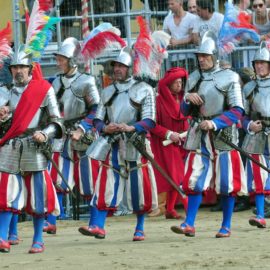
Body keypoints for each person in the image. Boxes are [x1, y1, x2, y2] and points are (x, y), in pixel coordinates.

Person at [171, 31, 247, 238]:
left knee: (226, 183)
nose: (201, 59)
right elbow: (183, 112)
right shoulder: (194, 78)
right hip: (199, 134)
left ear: (214, 55)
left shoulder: (230, 77)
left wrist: (214, 123)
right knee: (194, 179)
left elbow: (237, 110)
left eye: (205, 56)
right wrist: (187, 98)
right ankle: (189, 223)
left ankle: (226, 226)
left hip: (224, 134)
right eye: (199, 56)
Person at [78, 47, 158, 241]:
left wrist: (131, 128)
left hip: (135, 142)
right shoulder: (107, 91)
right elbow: (98, 119)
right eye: (116, 66)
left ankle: (139, 228)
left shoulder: (144, 89)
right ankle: (98, 226)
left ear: (130, 68)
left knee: (138, 186)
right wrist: (104, 128)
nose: (117, 69)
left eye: (122, 66)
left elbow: (150, 120)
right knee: (106, 183)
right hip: (112, 142)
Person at [0, 45, 63, 253]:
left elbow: (57, 122)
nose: (18, 71)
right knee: (6, 193)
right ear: (10, 70)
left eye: (22, 67)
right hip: (11, 144)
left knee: (38, 195)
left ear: (30, 69)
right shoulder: (4, 91)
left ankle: (38, 239)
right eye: (15, 67)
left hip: (35, 145)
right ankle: (2, 237)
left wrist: (45, 133)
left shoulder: (43, 90)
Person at [43, 37, 100, 234]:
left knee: (89, 181)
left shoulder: (87, 81)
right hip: (61, 133)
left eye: (61, 59)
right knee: (56, 178)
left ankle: (94, 223)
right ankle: (51, 221)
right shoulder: (55, 82)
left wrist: (82, 128)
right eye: (58, 58)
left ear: (71, 61)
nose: (57, 62)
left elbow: (96, 109)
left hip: (83, 135)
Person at [150, 67, 189, 219]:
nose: (179, 85)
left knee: (174, 177)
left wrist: (185, 134)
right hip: (164, 145)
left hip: (181, 143)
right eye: (176, 82)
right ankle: (188, 210)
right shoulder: (158, 101)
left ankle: (170, 209)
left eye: (181, 82)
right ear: (169, 84)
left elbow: (186, 119)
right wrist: (169, 134)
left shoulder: (183, 100)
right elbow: (152, 124)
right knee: (178, 177)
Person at [241, 41, 270, 228]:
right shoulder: (249, 88)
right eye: (256, 63)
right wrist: (249, 125)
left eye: (263, 62)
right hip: (257, 135)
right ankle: (260, 214)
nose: (259, 65)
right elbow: (241, 115)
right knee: (259, 174)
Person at [163, 0, 196, 69]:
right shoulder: (167, 19)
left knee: (190, 79)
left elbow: (192, 38)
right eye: (168, 4)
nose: (169, 6)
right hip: (173, 58)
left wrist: (177, 42)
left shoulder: (191, 18)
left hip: (189, 57)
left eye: (172, 4)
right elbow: (165, 37)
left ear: (180, 3)